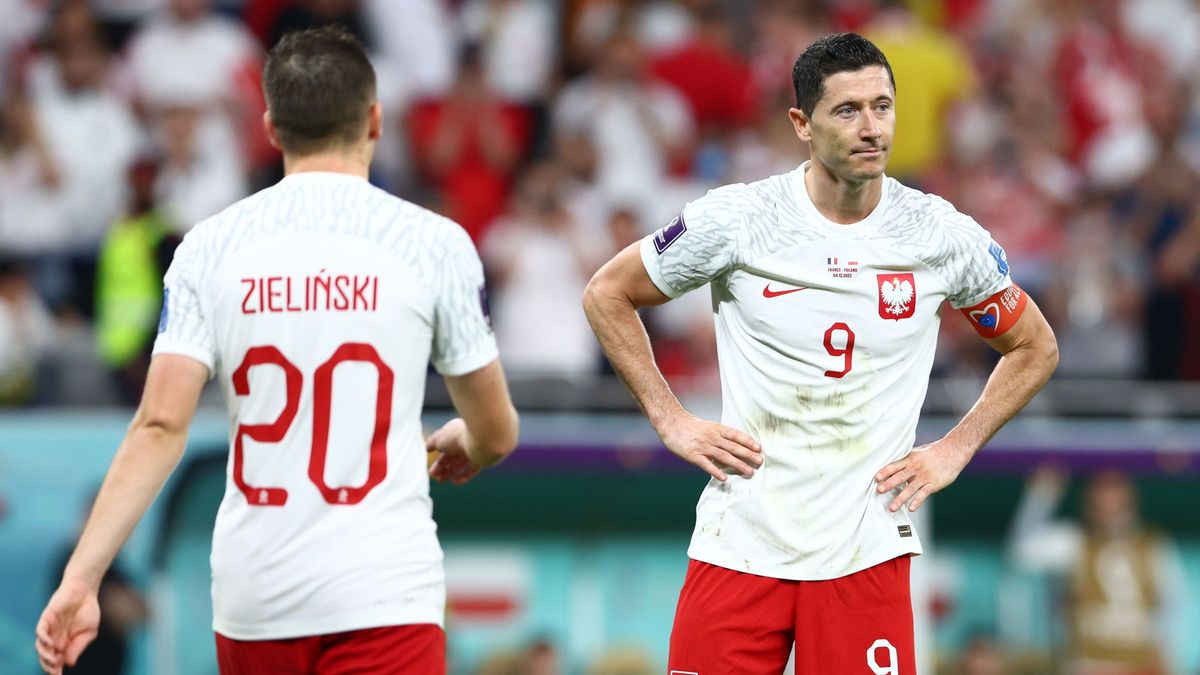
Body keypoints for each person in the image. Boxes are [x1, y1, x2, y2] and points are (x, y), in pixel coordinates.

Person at [36, 26, 519, 675]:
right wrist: (470, 440)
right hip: (383, 590)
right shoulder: (434, 243)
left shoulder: (207, 248)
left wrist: (80, 578)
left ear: (270, 125)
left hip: (256, 598)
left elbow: (158, 425)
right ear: (375, 120)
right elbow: (496, 430)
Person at [582, 32, 1058, 673]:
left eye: (882, 106)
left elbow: (1034, 345)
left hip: (865, 550)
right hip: (742, 541)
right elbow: (608, 293)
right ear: (801, 124)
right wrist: (671, 418)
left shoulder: (938, 233)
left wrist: (956, 446)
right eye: (848, 110)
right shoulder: (739, 219)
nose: (872, 128)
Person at [1009, 467, 1186, 675]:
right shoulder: (1073, 541)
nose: (1107, 500)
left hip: (1138, 666)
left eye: (1114, 489)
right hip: (1086, 665)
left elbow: (1171, 607)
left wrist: (1164, 657)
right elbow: (1022, 553)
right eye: (1100, 491)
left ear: (1130, 497)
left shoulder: (1154, 545)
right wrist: (1043, 493)